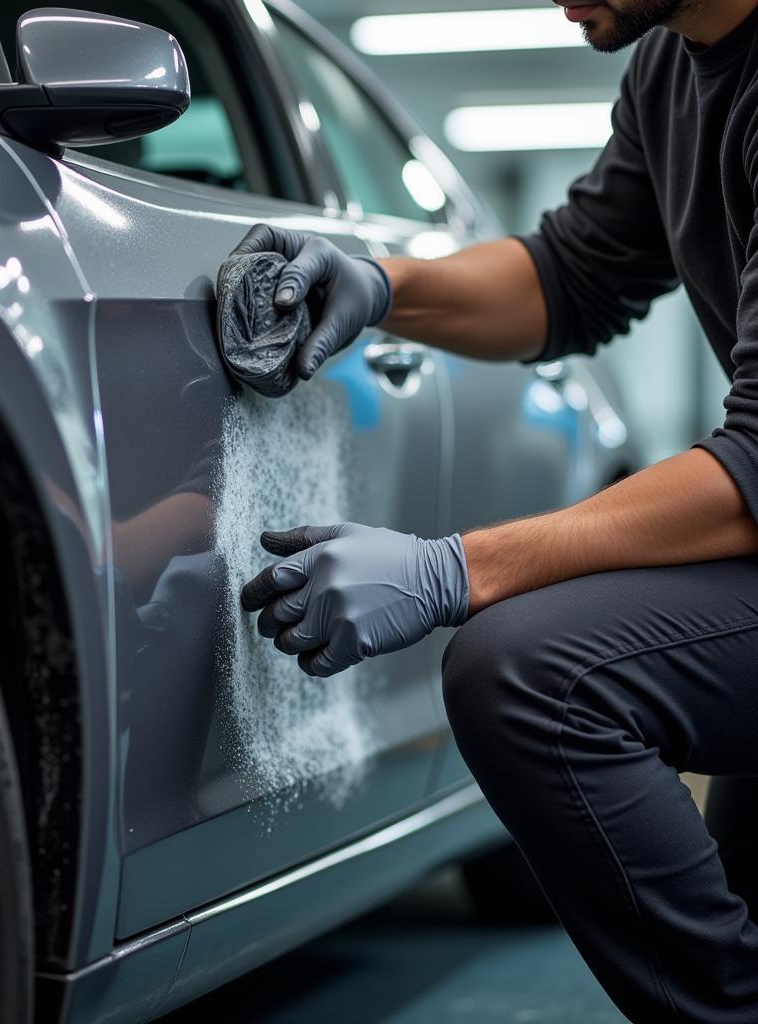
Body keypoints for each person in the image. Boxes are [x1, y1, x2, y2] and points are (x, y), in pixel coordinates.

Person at [233, 0, 758, 1019]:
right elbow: (568, 276)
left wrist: (448, 571)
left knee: (532, 670)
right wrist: (383, 287)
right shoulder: (667, 69)